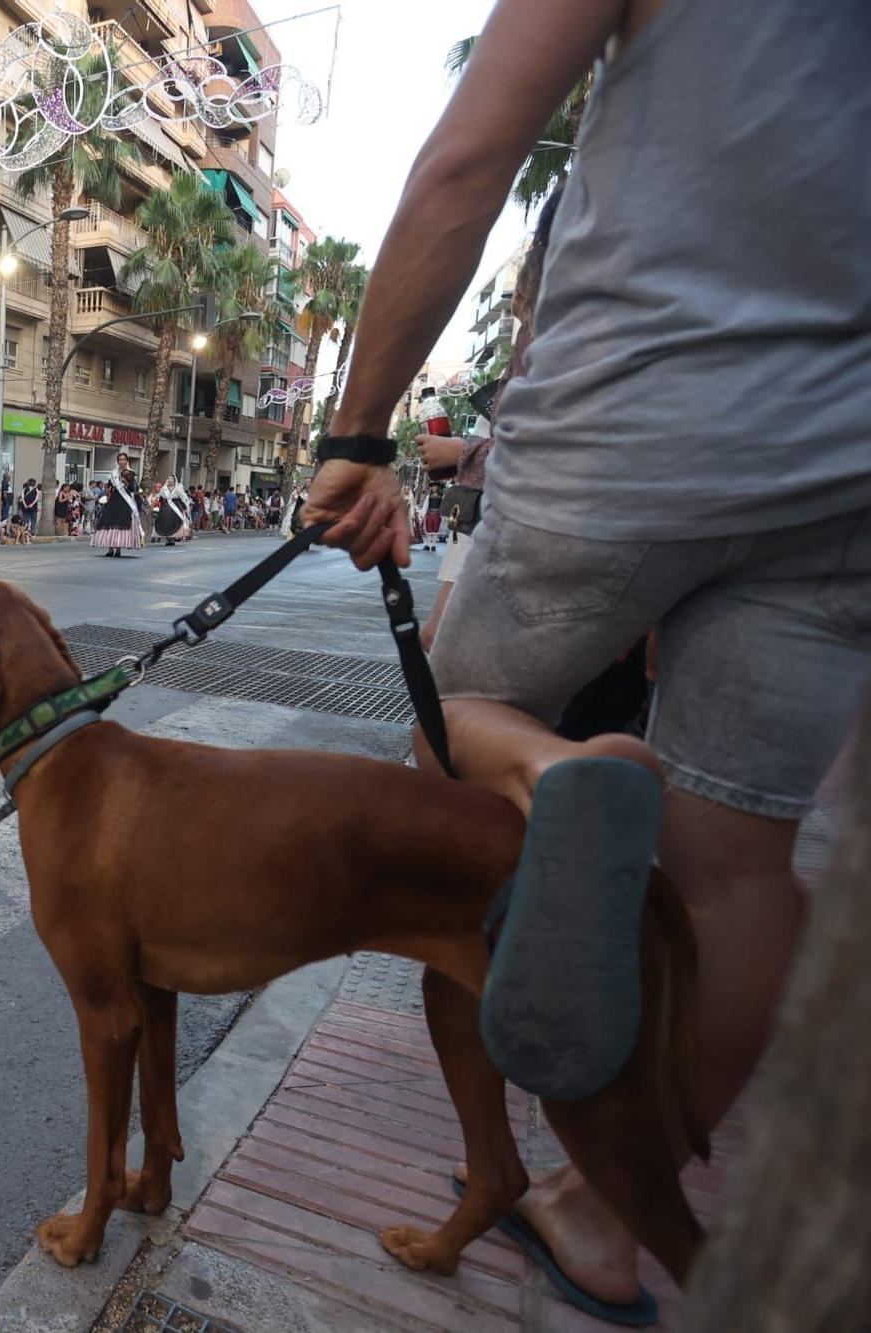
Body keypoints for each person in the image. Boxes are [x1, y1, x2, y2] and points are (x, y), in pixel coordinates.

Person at [302, 0, 870, 1321]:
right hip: (848, 476)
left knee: (448, 753)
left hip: (636, 421)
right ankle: (609, 1218)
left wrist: (364, 431)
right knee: (739, 870)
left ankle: (553, 772)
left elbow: (469, 154)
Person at [88, 457, 144, 557]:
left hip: (125, 501)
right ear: (118, 462)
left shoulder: (131, 473)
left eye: (124, 460)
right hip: (114, 499)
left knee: (121, 522)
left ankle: (118, 549)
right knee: (109, 521)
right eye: (120, 460)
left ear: (127, 461)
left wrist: (126, 482)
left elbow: (134, 489)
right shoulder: (113, 473)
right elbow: (109, 486)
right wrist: (107, 494)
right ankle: (110, 548)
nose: (122, 462)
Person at [152, 477, 192, 545]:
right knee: (165, 522)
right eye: (169, 479)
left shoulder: (178, 489)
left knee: (175, 522)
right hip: (166, 507)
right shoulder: (164, 489)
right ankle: (168, 538)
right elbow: (160, 496)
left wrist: (185, 506)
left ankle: (172, 538)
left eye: (171, 479)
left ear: (174, 481)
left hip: (175, 506)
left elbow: (183, 498)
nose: (170, 480)